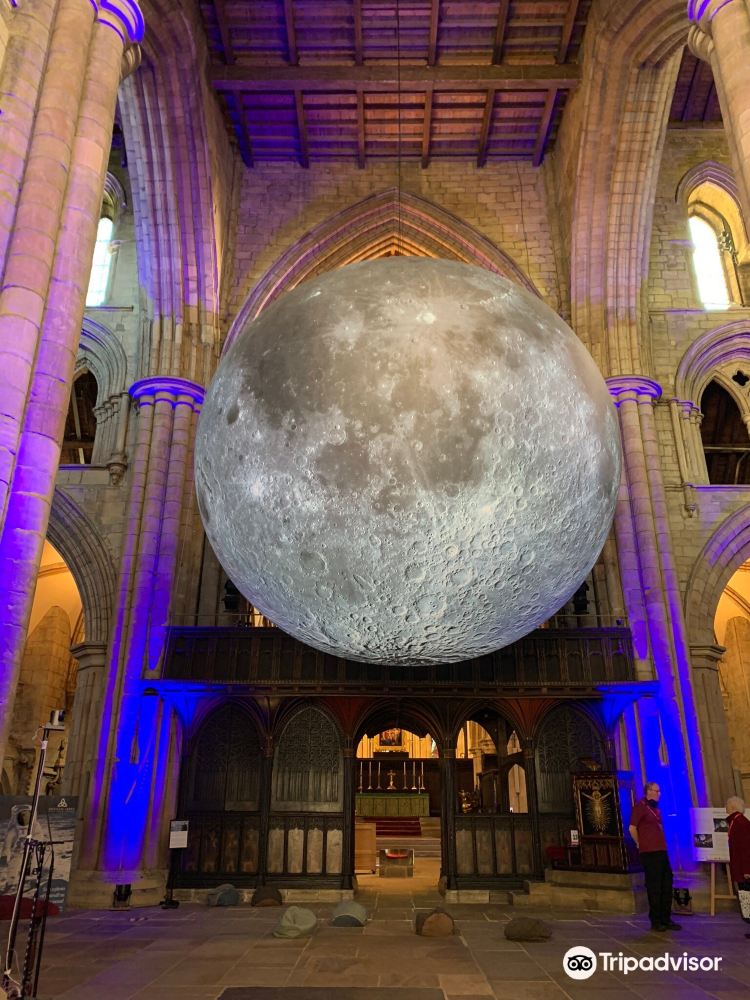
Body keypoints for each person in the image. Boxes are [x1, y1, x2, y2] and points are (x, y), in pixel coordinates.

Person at [628, 781, 681, 932]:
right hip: (649, 852)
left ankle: (666, 918)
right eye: (656, 791)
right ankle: (656, 920)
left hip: (661, 850)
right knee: (655, 886)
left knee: (666, 883)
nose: (659, 794)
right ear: (648, 791)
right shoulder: (640, 807)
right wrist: (639, 843)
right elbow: (632, 828)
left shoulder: (656, 808)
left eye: (659, 791)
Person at [726, 795, 750, 938]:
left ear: (733, 807)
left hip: (744, 869)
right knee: (746, 897)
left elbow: (746, 848)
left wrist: (747, 869)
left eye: (727, 804)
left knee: (748, 896)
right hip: (740, 868)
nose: (726, 807)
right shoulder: (736, 821)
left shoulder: (740, 822)